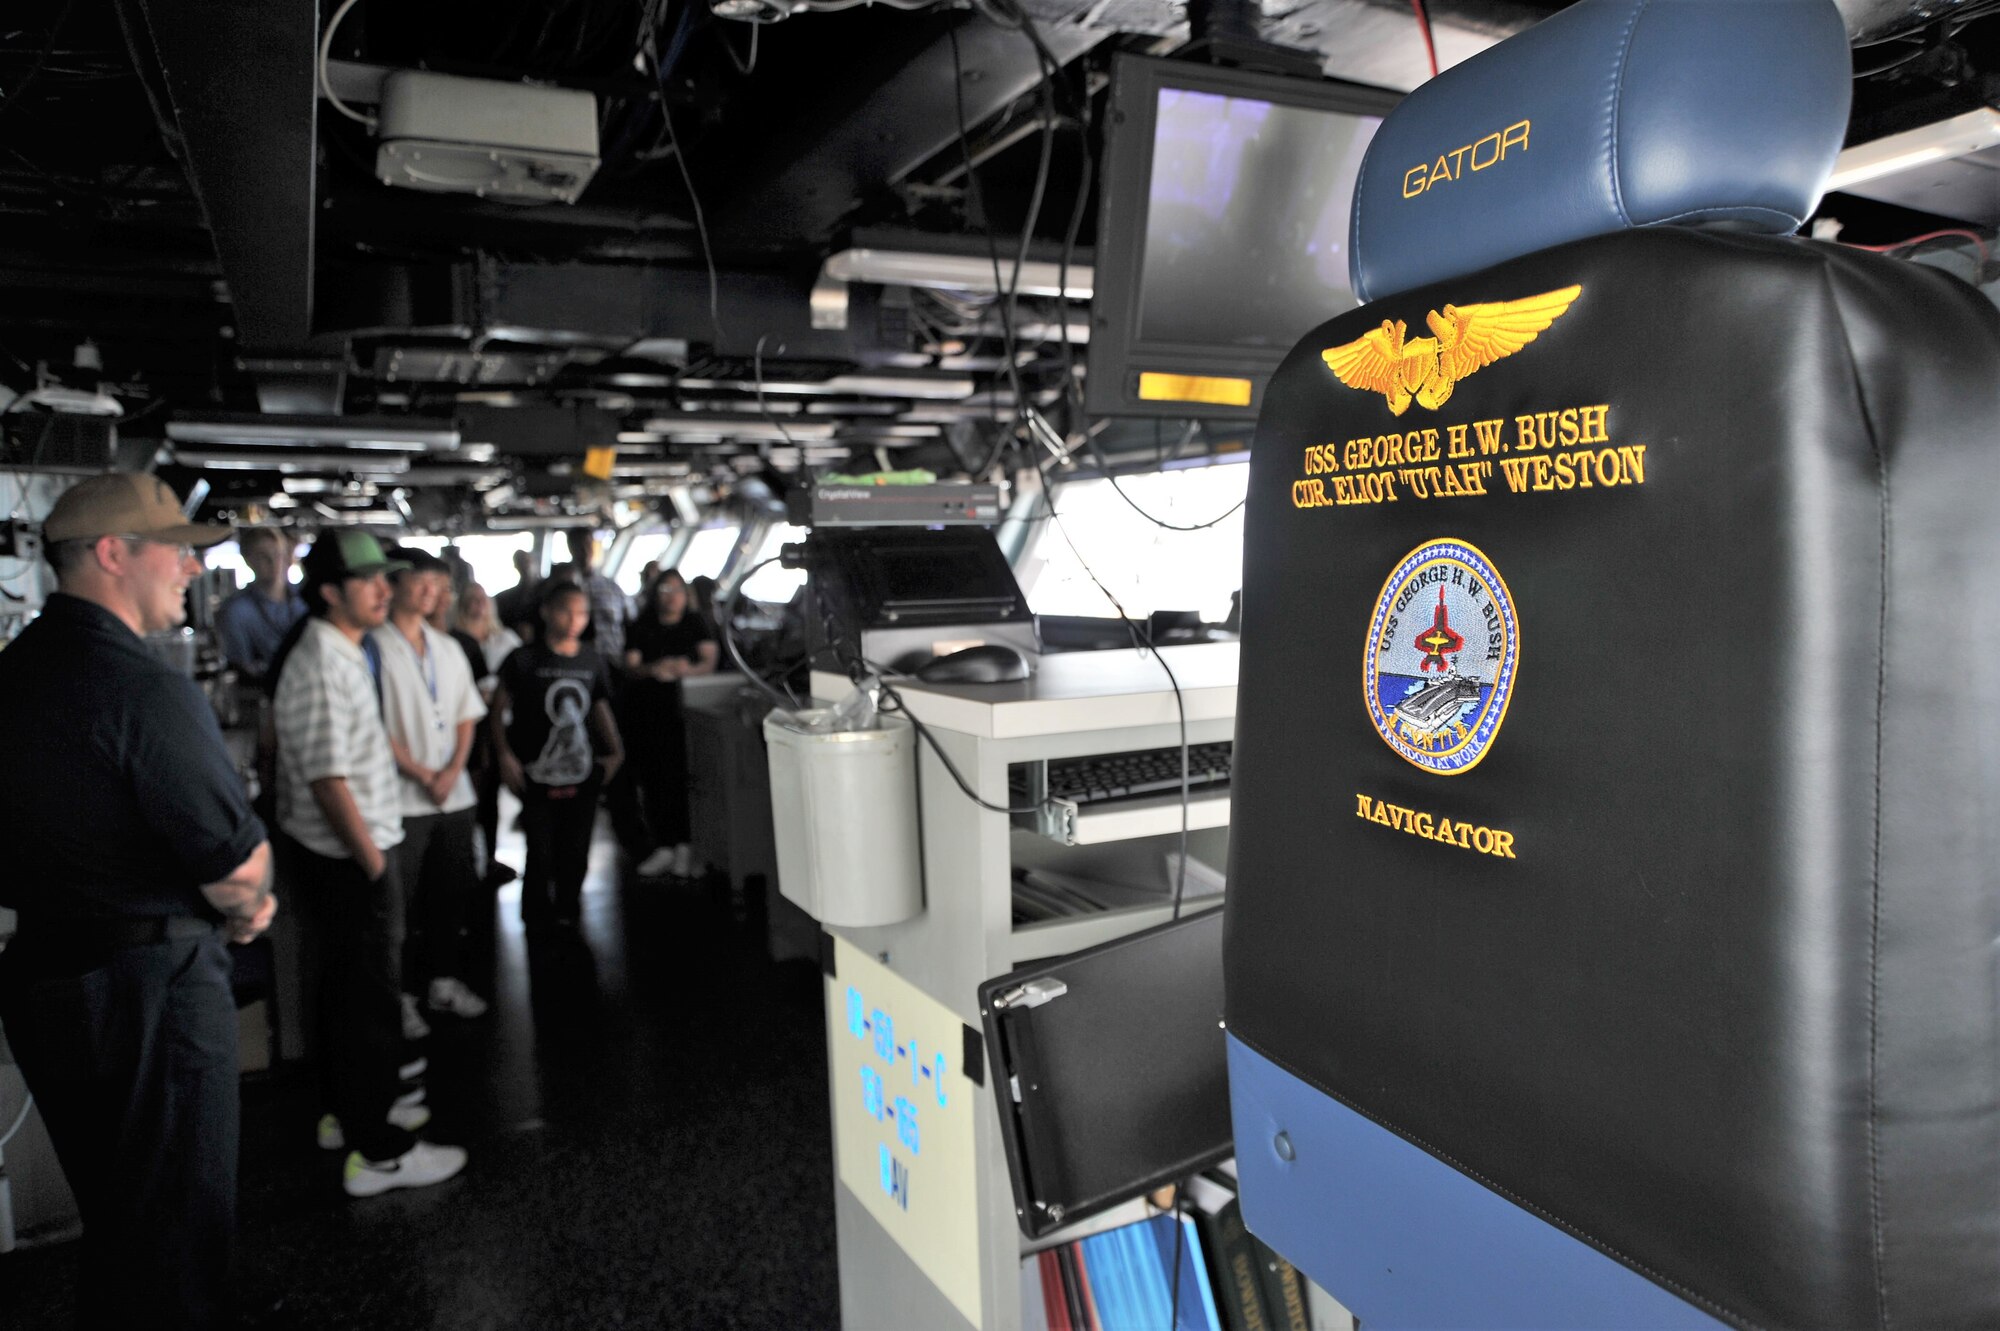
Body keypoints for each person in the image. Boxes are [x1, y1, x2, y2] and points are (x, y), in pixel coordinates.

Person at [0, 473, 274, 1329]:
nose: (191, 568)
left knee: (122, 1215)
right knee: (177, 1232)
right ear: (114, 554)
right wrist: (247, 906)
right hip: (151, 984)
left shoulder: (11, 675)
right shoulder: (144, 688)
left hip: (46, 978)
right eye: (176, 551)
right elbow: (236, 867)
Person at [270, 528, 468, 1198]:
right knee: (369, 1002)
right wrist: (375, 867)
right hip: (353, 858)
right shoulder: (323, 661)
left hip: (350, 853)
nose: (385, 588)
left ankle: (350, 1112)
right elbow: (329, 780)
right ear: (330, 591)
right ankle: (378, 1151)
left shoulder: (340, 648)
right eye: (369, 580)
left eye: (388, 577)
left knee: (348, 996)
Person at [371, 549, 489, 1023]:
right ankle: (398, 997)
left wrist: (451, 771)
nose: (433, 593)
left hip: (453, 796)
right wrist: (423, 775)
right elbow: (376, 726)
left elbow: (466, 716)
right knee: (399, 907)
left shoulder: (448, 646)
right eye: (422, 583)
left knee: (450, 895)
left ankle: (442, 981)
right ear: (396, 584)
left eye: (439, 585)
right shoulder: (372, 645)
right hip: (403, 798)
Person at [491, 581, 624, 928]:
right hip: (535, 773)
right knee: (541, 849)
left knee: (577, 849)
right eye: (566, 610)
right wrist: (505, 755)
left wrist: (615, 751)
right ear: (547, 612)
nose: (574, 620)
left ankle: (569, 911)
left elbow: (598, 705)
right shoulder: (522, 659)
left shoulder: (591, 659)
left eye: (582, 612)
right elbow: (497, 710)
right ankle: (534, 919)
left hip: (581, 774)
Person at [626, 570, 719, 879]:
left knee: (686, 776)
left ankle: (688, 845)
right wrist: (655, 668)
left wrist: (685, 671)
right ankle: (664, 843)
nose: (671, 596)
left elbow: (709, 660)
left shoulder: (696, 623)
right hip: (650, 713)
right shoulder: (642, 625)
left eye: (676, 589)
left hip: (688, 711)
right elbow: (632, 665)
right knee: (655, 779)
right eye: (664, 589)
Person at [455, 582, 521, 888]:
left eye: (482, 599)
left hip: (498, 724)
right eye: (471, 599)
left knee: (491, 791)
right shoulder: (453, 641)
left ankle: (490, 855)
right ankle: (465, 858)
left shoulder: (505, 639)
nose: (477, 605)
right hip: (467, 723)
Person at [214, 525, 306, 684]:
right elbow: (242, 668)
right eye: (263, 556)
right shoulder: (236, 612)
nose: (274, 562)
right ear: (247, 560)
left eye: (278, 554)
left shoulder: (306, 601)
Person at [563, 527, 628, 664]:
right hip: (574, 662)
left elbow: (630, 620)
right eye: (579, 545)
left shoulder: (610, 587)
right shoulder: (562, 584)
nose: (585, 551)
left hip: (612, 659)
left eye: (588, 544)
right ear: (570, 548)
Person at [494, 548, 541, 643]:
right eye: (521, 562)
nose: (525, 565)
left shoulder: (546, 592)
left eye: (527, 561)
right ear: (516, 566)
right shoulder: (503, 599)